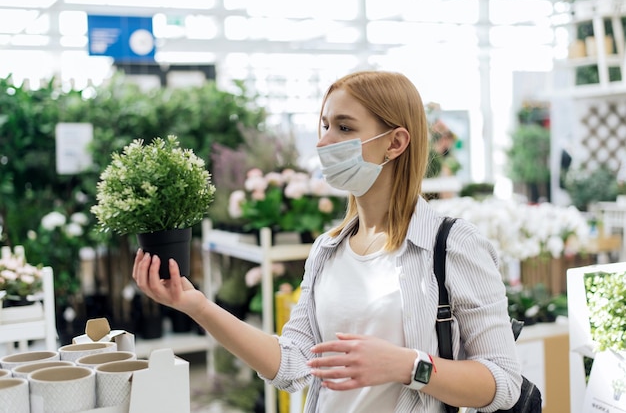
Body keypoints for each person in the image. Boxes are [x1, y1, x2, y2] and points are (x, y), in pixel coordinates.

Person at [132, 70, 522, 412]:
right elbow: (291, 366)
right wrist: (197, 306)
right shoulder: (326, 251)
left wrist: (408, 365)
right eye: (325, 126)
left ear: (395, 142)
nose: (324, 142)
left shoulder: (452, 245)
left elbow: (503, 382)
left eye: (345, 128)